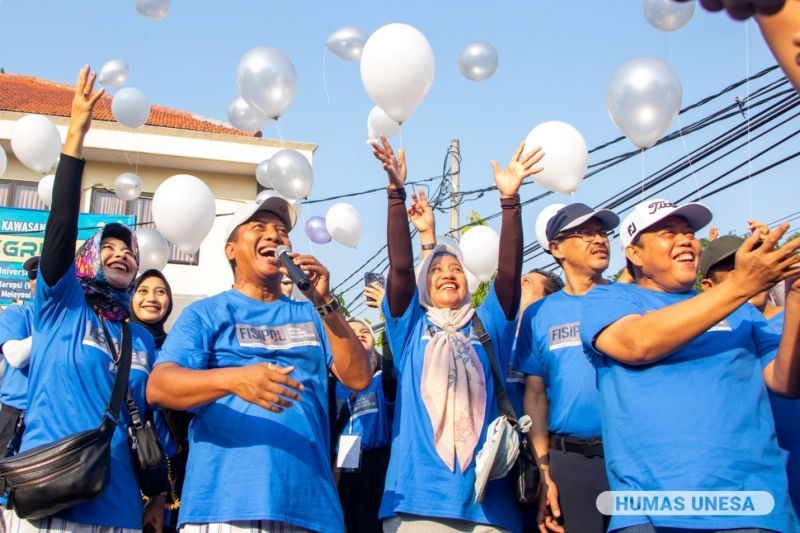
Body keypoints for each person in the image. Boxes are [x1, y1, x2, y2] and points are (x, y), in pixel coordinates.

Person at [146, 189, 373, 532]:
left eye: (281, 231)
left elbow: (358, 378)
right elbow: (159, 386)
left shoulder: (313, 314)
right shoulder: (206, 314)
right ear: (231, 250)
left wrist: (325, 302)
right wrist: (233, 380)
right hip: (223, 507)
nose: (274, 235)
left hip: (310, 509)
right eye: (259, 227)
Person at [580, 197, 800, 532]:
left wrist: (795, 296)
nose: (686, 240)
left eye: (689, 233)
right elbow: (637, 344)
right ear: (635, 254)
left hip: (753, 507)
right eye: (669, 232)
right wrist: (742, 284)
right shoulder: (611, 299)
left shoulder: (740, 311)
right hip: (652, 512)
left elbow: (786, 382)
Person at [6, 66, 162, 531]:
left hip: (120, 511)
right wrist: (75, 135)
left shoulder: (142, 338)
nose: (120, 256)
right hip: (50, 499)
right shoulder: (61, 304)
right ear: (89, 259)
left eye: (127, 252)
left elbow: (145, 425)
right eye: (107, 248)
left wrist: (158, 495)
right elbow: (59, 231)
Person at [373, 135, 544, 532]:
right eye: (436, 269)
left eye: (455, 269)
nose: (448, 273)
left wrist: (510, 202)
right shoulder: (410, 324)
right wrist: (395, 194)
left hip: (489, 508)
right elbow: (400, 268)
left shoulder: (486, 324)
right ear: (423, 285)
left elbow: (508, 274)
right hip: (416, 503)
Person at [514, 203, 619, 533]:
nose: (598, 240)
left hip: (629, 456)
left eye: (602, 232)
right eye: (585, 233)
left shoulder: (630, 299)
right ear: (556, 248)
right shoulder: (539, 314)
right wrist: (544, 471)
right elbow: (535, 397)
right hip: (569, 464)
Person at [700, 232, 800, 516]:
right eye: (734, 271)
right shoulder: (708, 337)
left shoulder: (794, 315)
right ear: (708, 286)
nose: (750, 273)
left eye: (755, 262)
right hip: (754, 483)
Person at [130, 269, 188, 532]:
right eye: (143, 291)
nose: (151, 298)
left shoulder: (178, 350)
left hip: (165, 470)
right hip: (120, 465)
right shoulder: (114, 343)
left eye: (160, 292)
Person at [333, 317, 394, 533]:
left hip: (376, 462)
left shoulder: (383, 379)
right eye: (352, 331)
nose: (358, 333)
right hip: (342, 465)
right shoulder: (335, 384)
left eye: (364, 332)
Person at [0, 256, 38, 460]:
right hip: (14, 414)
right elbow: (15, 357)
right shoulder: (17, 314)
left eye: (47, 273)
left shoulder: (76, 318)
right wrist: (55, 324)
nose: (39, 279)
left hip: (53, 417)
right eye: (33, 275)